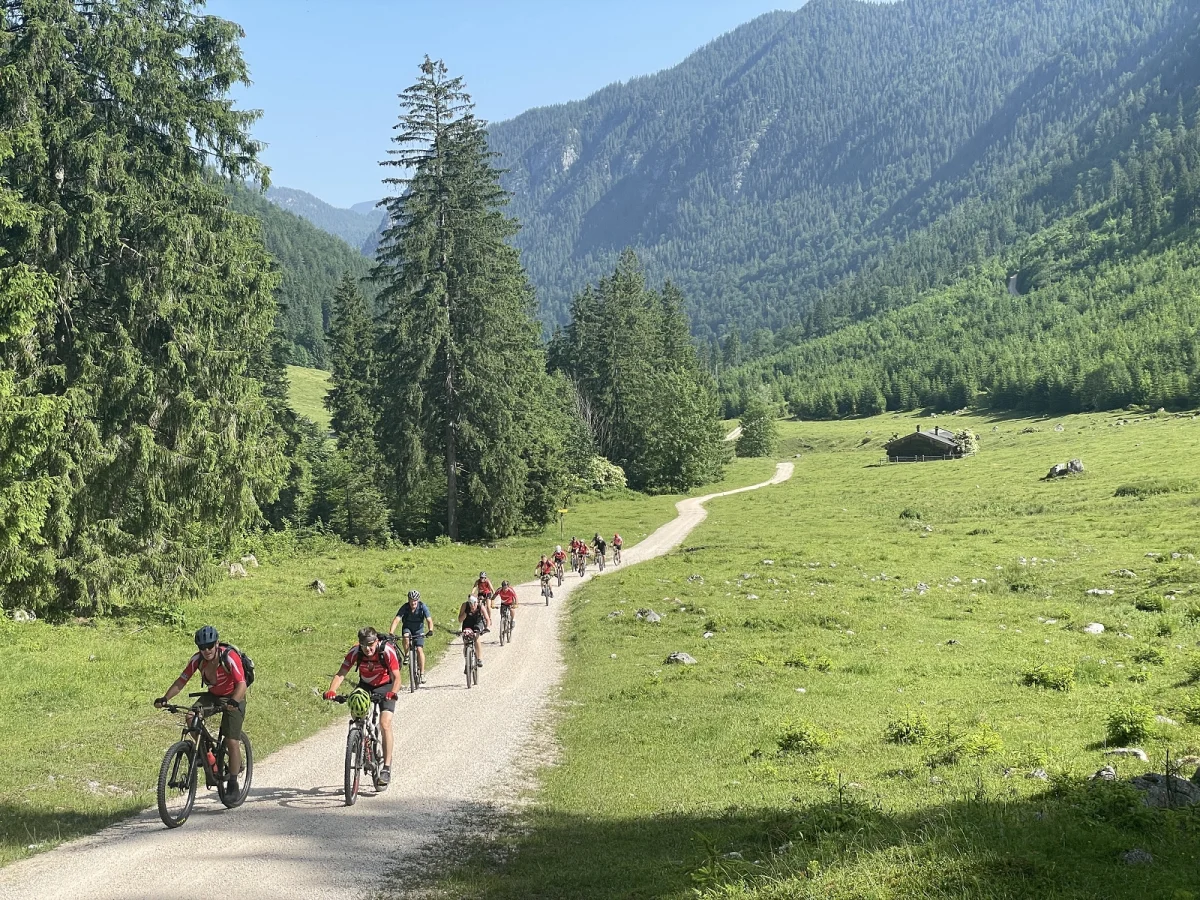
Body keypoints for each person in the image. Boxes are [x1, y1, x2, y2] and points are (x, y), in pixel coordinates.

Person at [154, 625, 247, 795]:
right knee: (191, 716)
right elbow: (181, 681)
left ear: (217, 643)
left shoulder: (229, 656)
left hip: (234, 696)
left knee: (231, 740)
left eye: (210, 646)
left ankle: (233, 782)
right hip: (212, 695)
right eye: (202, 647)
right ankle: (207, 752)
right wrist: (166, 698)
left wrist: (234, 701)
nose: (206, 650)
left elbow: (242, 683)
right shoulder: (197, 660)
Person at [322, 627, 401, 786]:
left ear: (376, 641)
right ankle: (358, 740)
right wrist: (332, 690)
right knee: (357, 711)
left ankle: (386, 767)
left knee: (385, 723)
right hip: (365, 685)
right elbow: (341, 672)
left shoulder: (387, 650)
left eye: (371, 644)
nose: (368, 649)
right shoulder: (355, 651)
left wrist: (392, 692)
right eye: (364, 645)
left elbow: (397, 676)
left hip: (386, 686)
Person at [390, 589, 434, 684]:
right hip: (407, 628)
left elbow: (429, 620)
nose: (413, 602)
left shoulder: (422, 607)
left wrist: (430, 630)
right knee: (405, 636)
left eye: (415, 600)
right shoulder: (405, 607)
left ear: (418, 600)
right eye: (411, 600)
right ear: (408, 600)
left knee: (419, 649)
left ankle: (422, 674)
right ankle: (407, 655)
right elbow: (397, 619)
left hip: (418, 630)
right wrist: (391, 632)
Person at [458, 594, 489, 668]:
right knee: (466, 641)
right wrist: (466, 613)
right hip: (467, 623)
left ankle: (479, 658)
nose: (472, 606)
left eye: (474, 603)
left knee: (476, 638)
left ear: (477, 602)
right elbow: (459, 620)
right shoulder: (465, 606)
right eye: (470, 604)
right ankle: (467, 661)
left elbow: (487, 618)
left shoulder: (480, 606)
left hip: (477, 623)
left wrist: (486, 628)